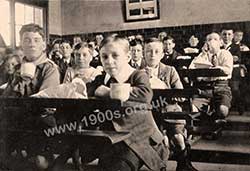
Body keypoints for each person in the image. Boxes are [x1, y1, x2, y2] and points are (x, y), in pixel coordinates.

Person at [87, 35, 169, 171]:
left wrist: (111, 92)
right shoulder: (102, 78)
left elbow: (145, 93)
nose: (109, 61)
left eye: (115, 56)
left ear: (127, 56)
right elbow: (90, 88)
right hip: (114, 136)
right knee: (104, 166)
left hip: (140, 137)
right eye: (104, 57)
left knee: (121, 167)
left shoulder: (137, 75)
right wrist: (97, 89)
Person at [2, 23, 60, 169]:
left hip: (41, 121)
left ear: (43, 45)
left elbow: (45, 102)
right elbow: (7, 98)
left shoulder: (49, 68)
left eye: (36, 40)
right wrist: (18, 81)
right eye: (26, 40)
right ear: (21, 44)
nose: (31, 44)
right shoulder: (16, 68)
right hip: (16, 118)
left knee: (40, 163)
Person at [144, 37, 198, 171]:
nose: (152, 55)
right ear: (144, 54)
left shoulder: (170, 70)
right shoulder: (138, 72)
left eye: (157, 51)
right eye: (149, 51)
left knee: (178, 137)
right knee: (158, 141)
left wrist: (162, 85)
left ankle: (184, 164)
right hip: (148, 112)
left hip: (170, 109)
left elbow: (180, 94)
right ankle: (159, 165)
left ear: (162, 54)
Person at [189, 32, 233, 120]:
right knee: (194, 108)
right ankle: (207, 117)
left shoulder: (225, 54)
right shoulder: (202, 55)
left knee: (222, 111)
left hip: (221, 87)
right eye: (209, 40)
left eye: (215, 39)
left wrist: (215, 68)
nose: (212, 42)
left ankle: (214, 115)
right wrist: (203, 54)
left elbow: (227, 70)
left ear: (221, 43)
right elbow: (191, 68)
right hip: (204, 88)